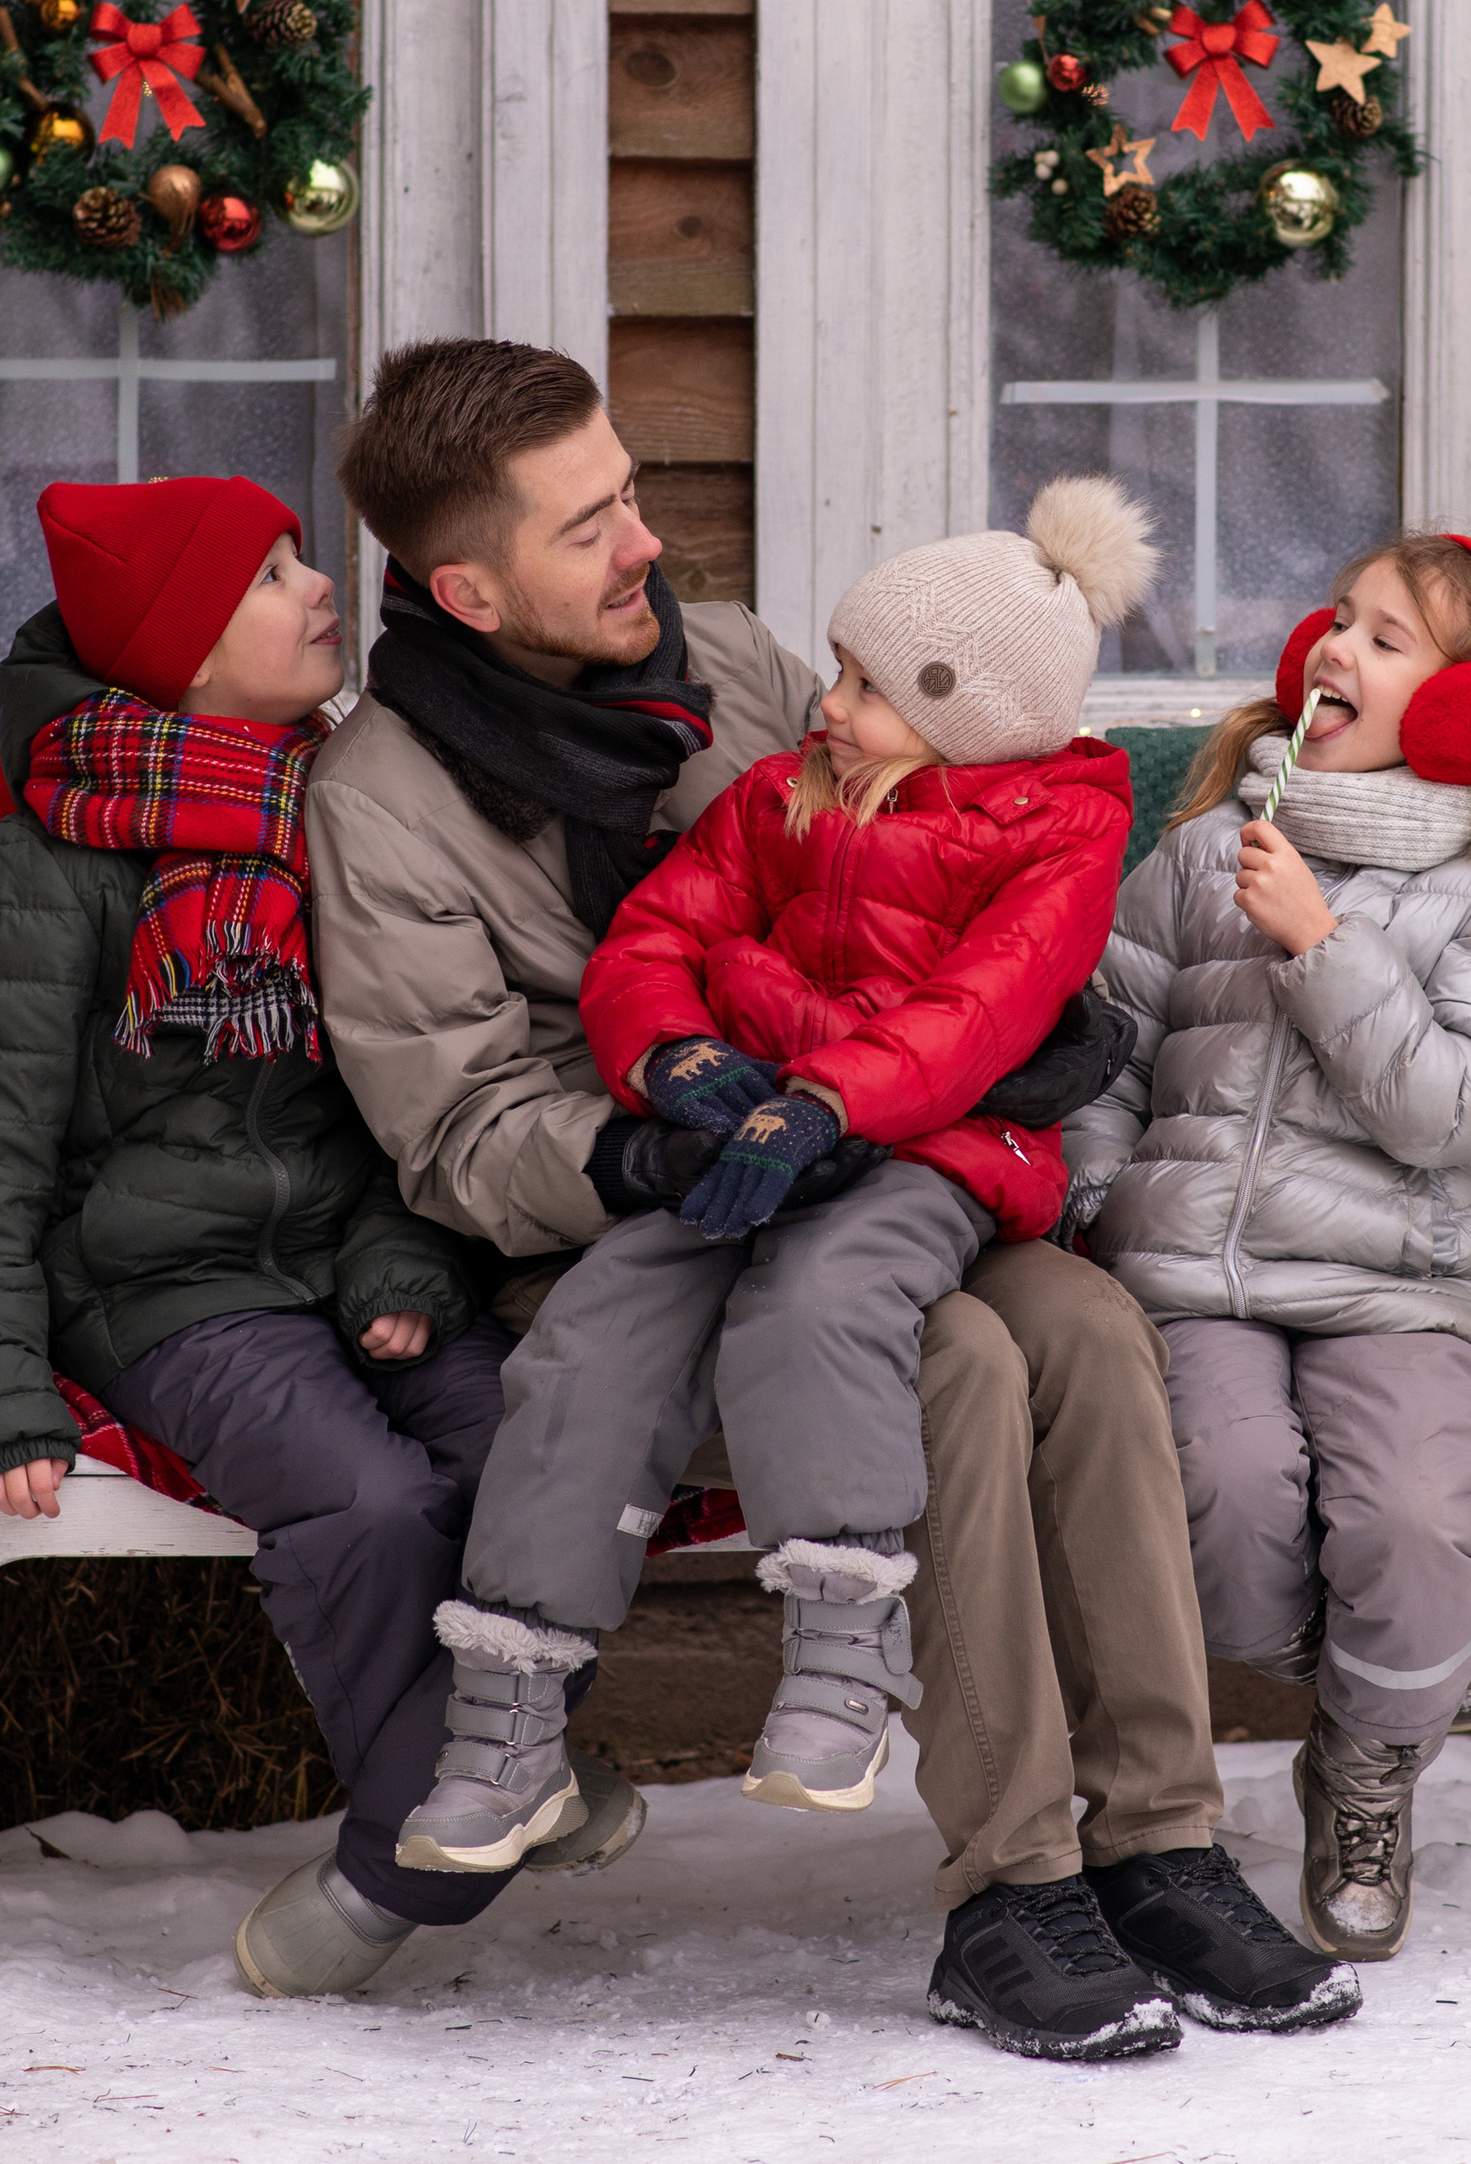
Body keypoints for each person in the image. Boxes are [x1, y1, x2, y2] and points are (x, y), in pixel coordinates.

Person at [305, 337, 1356, 2061]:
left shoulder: (722, 666)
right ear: (471, 589)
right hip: (637, 1243)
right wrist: (655, 1145)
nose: (646, 543)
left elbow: (924, 857)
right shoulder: (388, 804)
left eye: (633, 491)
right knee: (965, 1369)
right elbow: (456, 1132)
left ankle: (1157, 1838)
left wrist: (1018, 1037)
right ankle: (1012, 1883)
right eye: (591, 528)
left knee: (1089, 1329)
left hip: (873, 1164)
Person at [0, 474, 635, 2015]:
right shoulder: (52, 869)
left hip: (354, 1260)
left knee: (522, 1444)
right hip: (162, 1291)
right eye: (269, 576)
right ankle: (433, 1845)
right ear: (175, 655)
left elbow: (399, 1090)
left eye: (304, 556)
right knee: (369, 1501)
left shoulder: (344, 812)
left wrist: (403, 1260)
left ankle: (459, 1808)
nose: (321, 586)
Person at [393, 482, 1148, 1873]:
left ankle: (841, 1669)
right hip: (751, 1136)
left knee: (828, 1296)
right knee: (600, 1323)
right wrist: (672, 1060)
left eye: (865, 685)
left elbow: (983, 1010)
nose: (827, 702)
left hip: (927, 1149)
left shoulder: (1059, 835)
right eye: (840, 670)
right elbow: (653, 941)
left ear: (965, 713)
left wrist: (826, 1097)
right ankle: (507, 1721)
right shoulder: (778, 795)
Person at [1065, 533, 1471, 1966]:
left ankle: (1363, 1768)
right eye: (1340, 622)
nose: (1336, 653)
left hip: (1396, 1286)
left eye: (1388, 638)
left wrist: (1321, 945)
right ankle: (1395, 1686)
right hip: (1193, 1275)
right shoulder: (1198, 855)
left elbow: (1456, 1113)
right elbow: (1105, 1058)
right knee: (1224, 1493)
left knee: (1418, 1522)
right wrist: (1103, 1198)